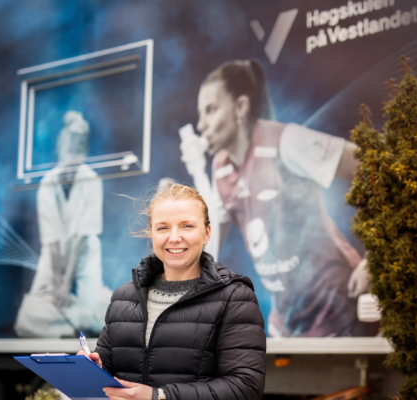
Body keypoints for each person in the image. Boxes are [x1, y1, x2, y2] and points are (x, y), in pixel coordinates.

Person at [179, 59, 371, 337]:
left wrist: (374, 259)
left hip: (337, 308)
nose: (201, 124)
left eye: (210, 110)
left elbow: (374, 166)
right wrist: (196, 174)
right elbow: (210, 248)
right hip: (287, 322)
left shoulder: (287, 142)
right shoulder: (220, 166)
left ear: (240, 108)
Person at [79, 184, 266, 400]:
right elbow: (110, 379)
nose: (174, 237)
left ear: (207, 233)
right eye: (163, 228)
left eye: (187, 226)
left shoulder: (235, 297)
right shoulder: (123, 297)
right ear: (152, 234)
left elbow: (246, 387)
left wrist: (159, 395)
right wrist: (94, 370)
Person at [15, 111, 111, 338]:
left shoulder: (92, 180)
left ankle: (83, 317)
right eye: (69, 150)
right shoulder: (46, 184)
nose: (72, 156)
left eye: (78, 151)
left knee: (102, 311)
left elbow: (81, 237)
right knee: (27, 319)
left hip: (85, 253)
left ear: (85, 153)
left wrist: (66, 285)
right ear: (59, 149)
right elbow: (52, 240)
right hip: (54, 256)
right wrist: (58, 283)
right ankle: (78, 322)